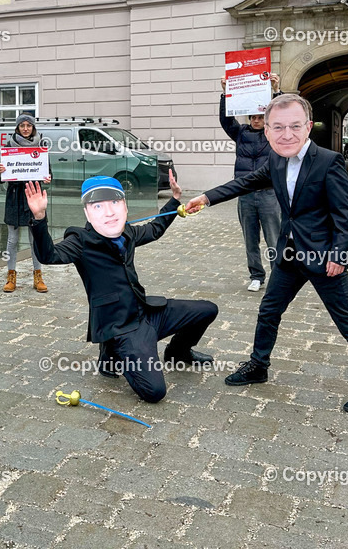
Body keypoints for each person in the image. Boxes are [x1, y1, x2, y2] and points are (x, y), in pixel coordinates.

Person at [186, 94, 348, 414]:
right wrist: (206, 199)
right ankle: (258, 365)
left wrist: (340, 256)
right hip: (290, 254)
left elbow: (344, 217)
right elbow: (246, 181)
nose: (287, 134)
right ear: (267, 131)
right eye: (278, 127)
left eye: (294, 126)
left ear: (308, 127)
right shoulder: (276, 160)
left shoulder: (328, 161)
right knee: (268, 311)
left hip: (323, 258)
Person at [27, 172, 218, 403]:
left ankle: (177, 351)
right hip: (121, 327)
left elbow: (155, 229)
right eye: (98, 206)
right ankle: (114, 353)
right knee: (154, 392)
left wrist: (175, 199)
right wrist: (39, 218)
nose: (109, 212)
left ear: (124, 206)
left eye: (115, 203)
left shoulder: (127, 232)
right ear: (87, 212)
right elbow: (49, 255)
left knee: (207, 309)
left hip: (147, 312)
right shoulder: (80, 241)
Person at [219, 74, 282, 292]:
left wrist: (276, 91)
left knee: (273, 238)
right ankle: (256, 275)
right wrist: (226, 92)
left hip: (268, 194)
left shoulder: (273, 134)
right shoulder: (241, 133)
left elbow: (281, 115)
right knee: (250, 238)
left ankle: (278, 276)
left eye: (260, 117)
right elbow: (226, 121)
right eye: (253, 117)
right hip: (245, 194)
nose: (256, 120)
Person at [0, 114, 50, 293]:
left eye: (28, 125)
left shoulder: (41, 146)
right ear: (17, 128)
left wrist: (48, 177)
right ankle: (11, 276)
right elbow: (0, 178)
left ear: (33, 128)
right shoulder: (8, 147)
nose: (25, 128)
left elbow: (48, 171)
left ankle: (38, 275)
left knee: (34, 238)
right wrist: (0, 172)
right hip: (14, 197)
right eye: (22, 126)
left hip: (33, 194)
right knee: (12, 240)